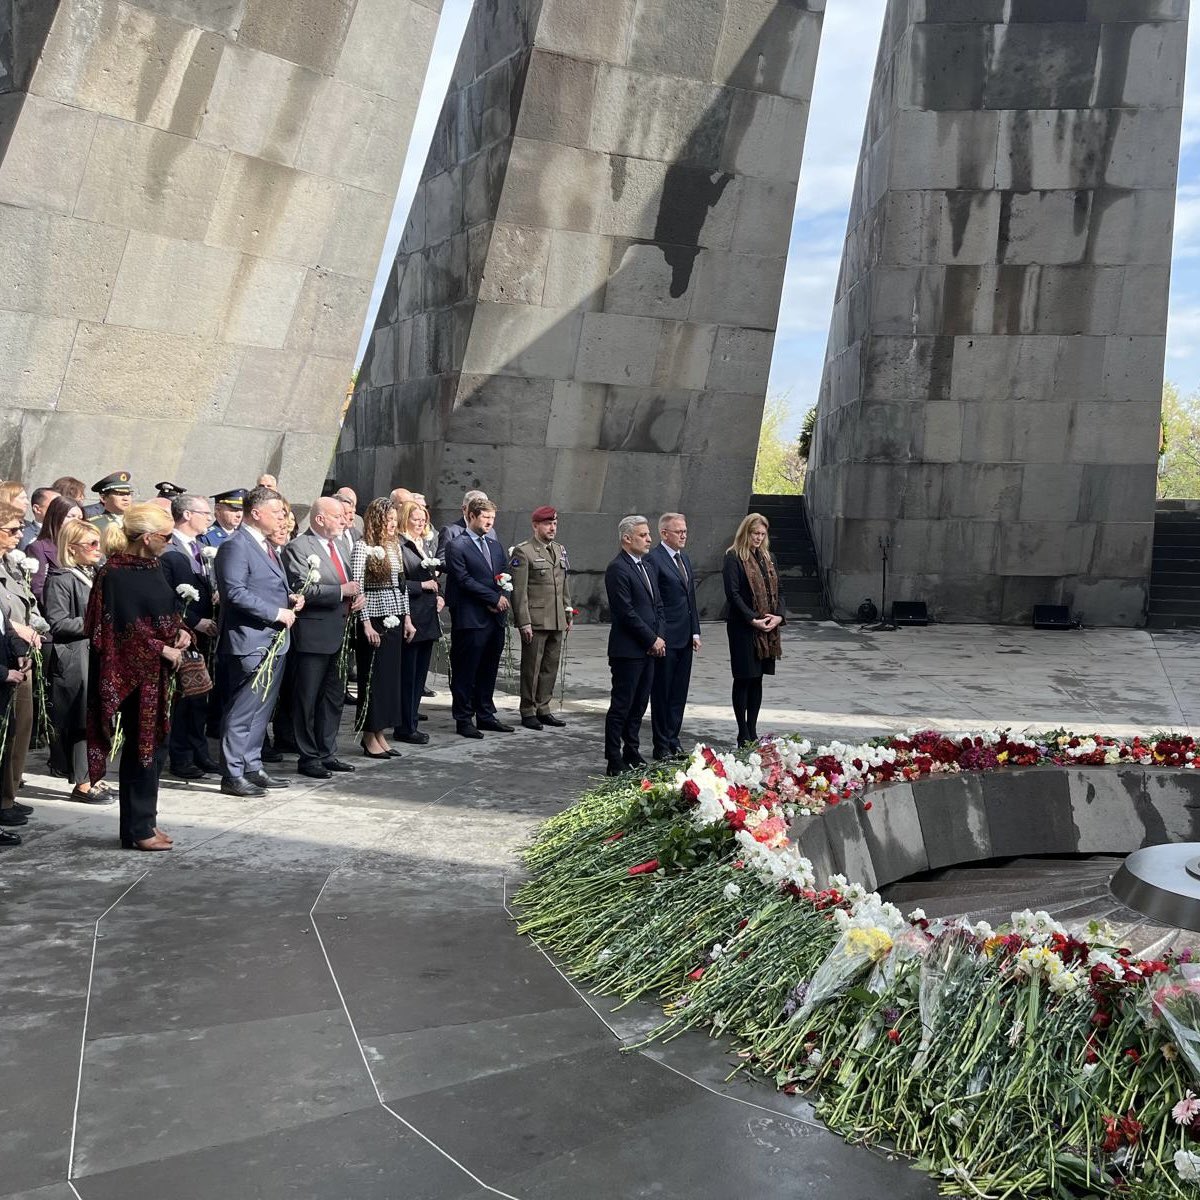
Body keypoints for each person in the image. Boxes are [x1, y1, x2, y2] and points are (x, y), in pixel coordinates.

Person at [84, 503, 189, 850]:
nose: (169, 542)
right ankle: (139, 829)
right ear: (146, 537)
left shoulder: (154, 567)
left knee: (155, 748)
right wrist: (161, 648)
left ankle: (144, 823)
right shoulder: (113, 573)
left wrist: (181, 631)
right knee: (141, 748)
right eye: (166, 536)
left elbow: (163, 612)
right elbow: (116, 628)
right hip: (132, 674)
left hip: (158, 673)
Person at [213, 485, 300, 797]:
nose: (282, 518)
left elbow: (263, 585)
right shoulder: (236, 546)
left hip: (272, 640)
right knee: (242, 710)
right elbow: (234, 592)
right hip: (250, 640)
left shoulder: (265, 545)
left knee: (261, 710)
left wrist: (289, 598)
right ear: (256, 512)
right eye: (276, 512)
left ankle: (252, 765)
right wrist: (276, 612)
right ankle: (232, 773)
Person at [283, 497, 363, 779]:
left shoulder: (340, 545)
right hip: (313, 636)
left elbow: (349, 583)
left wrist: (357, 597)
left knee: (333, 698)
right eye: (338, 516)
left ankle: (327, 752)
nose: (344, 521)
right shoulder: (298, 547)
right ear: (320, 519)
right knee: (307, 698)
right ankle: (308, 756)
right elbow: (301, 589)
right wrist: (341, 592)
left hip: (340, 634)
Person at [43, 519, 109, 802]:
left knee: (98, 718)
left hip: (96, 654)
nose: (97, 548)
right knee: (82, 719)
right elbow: (57, 622)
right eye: (91, 544)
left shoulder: (94, 573)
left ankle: (95, 775)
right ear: (71, 548)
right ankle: (83, 783)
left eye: (98, 542)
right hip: (76, 657)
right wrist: (97, 623)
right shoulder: (61, 578)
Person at [158, 494, 221, 780]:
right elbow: (166, 596)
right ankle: (181, 756)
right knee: (183, 698)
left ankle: (200, 751)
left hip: (204, 634)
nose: (209, 518)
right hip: (182, 633)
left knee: (200, 696)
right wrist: (194, 622)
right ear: (186, 515)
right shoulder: (169, 549)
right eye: (204, 513)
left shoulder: (201, 545)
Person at [444, 496, 513, 739]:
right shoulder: (457, 545)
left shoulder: (495, 545)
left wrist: (502, 596)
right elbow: (463, 580)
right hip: (471, 618)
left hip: (495, 619)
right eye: (485, 517)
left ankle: (485, 714)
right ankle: (463, 718)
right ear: (471, 516)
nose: (490, 522)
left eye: (492, 518)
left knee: (489, 668)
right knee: (466, 670)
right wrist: (492, 599)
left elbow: (505, 574)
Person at [351, 498, 414, 757]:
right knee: (373, 679)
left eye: (394, 520)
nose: (392, 525)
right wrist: (365, 623)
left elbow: (402, 585)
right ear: (376, 521)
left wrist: (407, 618)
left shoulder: (394, 546)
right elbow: (357, 587)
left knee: (389, 680)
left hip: (394, 616)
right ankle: (369, 735)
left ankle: (380, 733)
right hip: (374, 619)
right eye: (388, 520)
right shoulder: (362, 547)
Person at [603, 515, 666, 776]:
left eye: (648, 534)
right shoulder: (618, 568)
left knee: (640, 704)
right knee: (622, 705)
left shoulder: (647, 567)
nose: (649, 539)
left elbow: (658, 606)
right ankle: (613, 757)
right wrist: (651, 639)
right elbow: (625, 612)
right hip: (628, 651)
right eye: (643, 535)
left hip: (649, 649)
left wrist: (659, 637)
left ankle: (632, 749)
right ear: (627, 538)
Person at [723, 513, 785, 747]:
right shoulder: (733, 557)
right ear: (745, 532)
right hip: (743, 628)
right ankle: (743, 732)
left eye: (762, 534)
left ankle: (753, 730)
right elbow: (733, 594)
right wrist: (752, 618)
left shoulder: (769, 557)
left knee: (757, 679)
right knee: (744, 678)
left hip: (766, 628)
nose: (758, 538)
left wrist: (779, 616)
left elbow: (781, 590)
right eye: (754, 533)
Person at [509, 505, 571, 732]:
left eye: (554, 523)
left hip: (556, 617)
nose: (552, 527)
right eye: (547, 524)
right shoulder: (523, 552)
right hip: (535, 619)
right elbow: (519, 591)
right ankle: (528, 709)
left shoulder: (559, 549)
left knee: (550, 666)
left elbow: (564, 584)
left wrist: (567, 611)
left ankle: (543, 707)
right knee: (532, 667)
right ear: (535, 525)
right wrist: (523, 621)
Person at [646, 512, 701, 759]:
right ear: (664, 533)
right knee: (663, 693)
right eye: (679, 531)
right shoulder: (654, 559)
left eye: (685, 531)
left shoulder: (684, 558)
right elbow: (654, 602)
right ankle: (661, 744)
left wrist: (695, 631)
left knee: (679, 692)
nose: (684, 535)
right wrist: (657, 636)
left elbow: (691, 599)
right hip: (666, 638)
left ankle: (673, 739)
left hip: (685, 637)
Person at [0, 502, 39, 829]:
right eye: (12, 530)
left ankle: (8, 795)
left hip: (17, 656)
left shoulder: (11, 564)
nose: (18, 536)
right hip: (3, 664)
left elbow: (24, 605)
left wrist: (25, 642)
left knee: (19, 728)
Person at [395, 501, 442, 743]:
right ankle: (405, 725)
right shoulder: (399, 545)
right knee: (408, 675)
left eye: (424, 519)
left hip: (427, 616)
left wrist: (438, 594)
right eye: (416, 519)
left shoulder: (424, 545)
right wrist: (422, 585)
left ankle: (412, 720)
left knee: (419, 676)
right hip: (411, 615)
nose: (421, 523)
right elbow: (397, 582)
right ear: (405, 519)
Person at [27, 496, 84, 603]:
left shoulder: (82, 546)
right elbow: (38, 589)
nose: (77, 522)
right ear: (56, 517)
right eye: (71, 516)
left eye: (80, 518)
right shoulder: (38, 548)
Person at [88, 472, 133, 537]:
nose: (126, 498)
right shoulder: (95, 525)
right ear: (103, 498)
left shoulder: (139, 521)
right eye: (119, 494)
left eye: (128, 494)